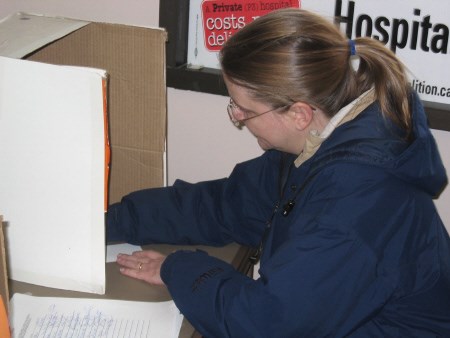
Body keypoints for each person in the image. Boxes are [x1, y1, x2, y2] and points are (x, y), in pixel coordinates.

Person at [107, 8, 450, 337]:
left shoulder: (357, 204)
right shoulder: (315, 149)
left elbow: (268, 325)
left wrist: (176, 269)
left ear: (299, 114)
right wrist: (107, 221)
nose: (237, 118)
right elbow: (220, 205)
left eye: (244, 109)